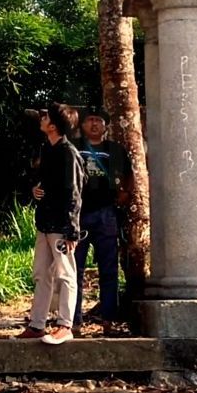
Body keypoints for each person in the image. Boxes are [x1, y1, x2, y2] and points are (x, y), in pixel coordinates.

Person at [15, 102, 85, 345]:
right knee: (41, 273)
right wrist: (35, 189)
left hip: (60, 226)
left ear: (54, 125)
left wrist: (72, 232)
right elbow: (43, 181)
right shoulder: (47, 149)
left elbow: (74, 194)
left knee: (66, 274)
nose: (41, 119)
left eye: (45, 117)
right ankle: (37, 324)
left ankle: (65, 324)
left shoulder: (68, 153)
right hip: (45, 222)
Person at [73, 107, 133, 336]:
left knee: (109, 269)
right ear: (82, 125)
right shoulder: (74, 148)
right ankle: (74, 322)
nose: (95, 124)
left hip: (106, 213)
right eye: (90, 120)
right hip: (78, 214)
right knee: (74, 270)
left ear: (106, 125)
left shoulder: (115, 149)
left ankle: (108, 321)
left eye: (99, 120)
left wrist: (126, 193)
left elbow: (130, 174)